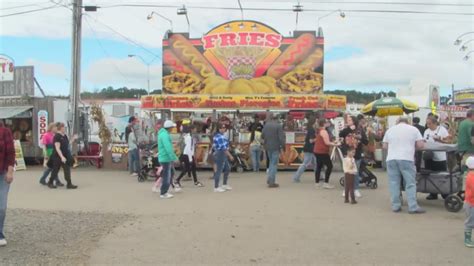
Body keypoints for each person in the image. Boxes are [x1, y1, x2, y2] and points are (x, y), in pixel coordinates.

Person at [383, 117, 425, 214]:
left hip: (391, 158)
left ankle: (396, 206)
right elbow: (420, 145)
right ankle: (412, 206)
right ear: (408, 122)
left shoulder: (390, 130)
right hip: (406, 158)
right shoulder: (414, 129)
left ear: (397, 122)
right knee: (410, 183)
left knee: (394, 183)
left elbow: (385, 146)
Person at [339, 116, 368, 198]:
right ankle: (346, 190)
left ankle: (356, 189)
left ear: (354, 121)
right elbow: (340, 134)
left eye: (349, 120)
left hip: (357, 154)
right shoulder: (346, 130)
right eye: (347, 120)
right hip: (347, 154)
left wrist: (360, 138)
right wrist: (348, 129)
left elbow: (366, 142)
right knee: (347, 172)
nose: (348, 121)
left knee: (355, 172)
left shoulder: (360, 130)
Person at [423, 116, 450, 200]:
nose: (428, 125)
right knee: (430, 175)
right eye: (427, 123)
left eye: (429, 123)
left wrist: (440, 140)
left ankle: (444, 193)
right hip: (429, 156)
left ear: (435, 123)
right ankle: (433, 193)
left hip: (440, 157)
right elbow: (424, 141)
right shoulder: (426, 131)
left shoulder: (442, 130)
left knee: (441, 175)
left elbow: (448, 141)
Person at [47, 123, 78, 189]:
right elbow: (57, 148)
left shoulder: (64, 136)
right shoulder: (57, 136)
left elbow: (67, 144)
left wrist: (73, 139)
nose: (65, 128)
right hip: (57, 157)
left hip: (65, 156)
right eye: (64, 127)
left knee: (67, 169)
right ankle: (50, 182)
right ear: (60, 128)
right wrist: (62, 157)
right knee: (55, 170)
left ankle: (69, 184)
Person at [0, 120, 15, 247]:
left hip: (2, 173)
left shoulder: (5, 132)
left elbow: (11, 153)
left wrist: (10, 172)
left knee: (1, 207)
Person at [262, 113, 285, 188]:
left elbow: (262, 136)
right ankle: (271, 181)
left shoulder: (266, 125)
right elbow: (281, 138)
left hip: (268, 147)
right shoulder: (278, 126)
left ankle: (269, 179)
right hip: (275, 147)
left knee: (271, 162)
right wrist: (283, 146)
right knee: (274, 164)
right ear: (277, 119)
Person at [314, 119, 339, 189]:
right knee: (329, 166)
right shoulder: (324, 131)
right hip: (322, 151)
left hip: (317, 150)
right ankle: (326, 183)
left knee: (319, 166)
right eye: (327, 122)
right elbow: (327, 142)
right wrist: (335, 144)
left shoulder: (319, 130)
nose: (329, 123)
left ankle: (317, 183)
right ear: (324, 124)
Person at [158, 120, 179, 199]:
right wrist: (174, 158)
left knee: (169, 174)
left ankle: (164, 190)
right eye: (172, 127)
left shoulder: (163, 134)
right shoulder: (165, 135)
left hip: (164, 158)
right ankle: (163, 192)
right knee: (167, 175)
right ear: (169, 128)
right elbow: (168, 148)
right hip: (165, 158)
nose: (173, 128)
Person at [292, 118, 317, 183]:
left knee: (315, 163)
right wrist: (318, 138)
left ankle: (319, 176)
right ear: (313, 122)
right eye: (316, 121)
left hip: (309, 148)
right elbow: (311, 140)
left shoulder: (310, 129)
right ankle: (296, 177)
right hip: (310, 148)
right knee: (305, 163)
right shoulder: (312, 130)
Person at [212, 123, 234, 192]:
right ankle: (216, 187)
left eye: (224, 128)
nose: (223, 129)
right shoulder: (220, 137)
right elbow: (223, 148)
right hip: (220, 153)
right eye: (221, 128)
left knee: (227, 168)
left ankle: (224, 184)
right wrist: (230, 155)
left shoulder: (220, 136)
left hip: (221, 153)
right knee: (219, 170)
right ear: (219, 129)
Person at [463, 157, 474, 248]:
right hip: (471, 203)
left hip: (471, 203)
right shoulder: (471, 176)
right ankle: (467, 238)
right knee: (470, 222)